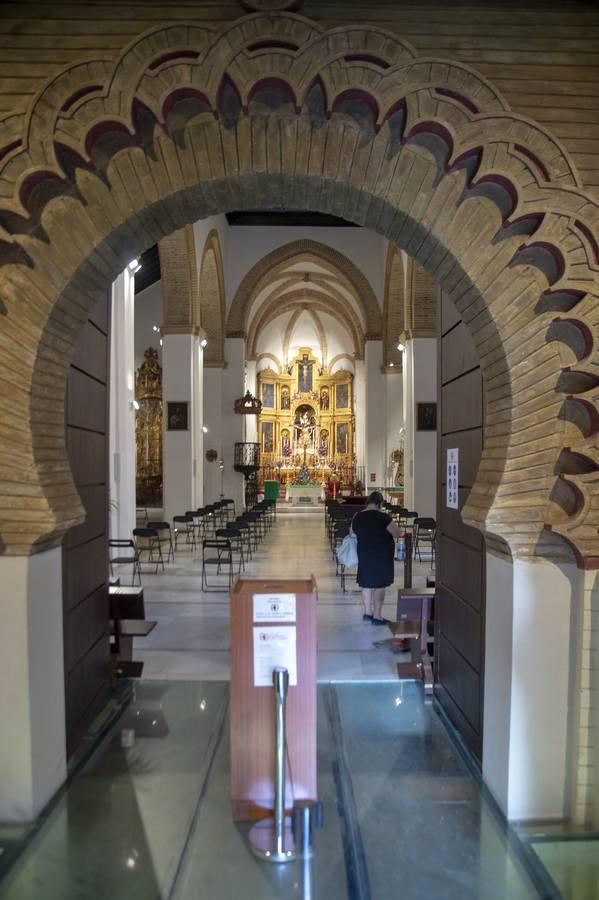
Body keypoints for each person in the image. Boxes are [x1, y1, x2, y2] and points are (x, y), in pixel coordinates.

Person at [352, 490, 402, 625]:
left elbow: (354, 532)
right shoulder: (383, 517)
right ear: (380, 503)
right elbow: (397, 533)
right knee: (380, 585)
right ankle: (378, 615)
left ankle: (368, 612)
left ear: (368, 501)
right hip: (381, 554)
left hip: (364, 552)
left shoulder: (357, 517)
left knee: (366, 583)